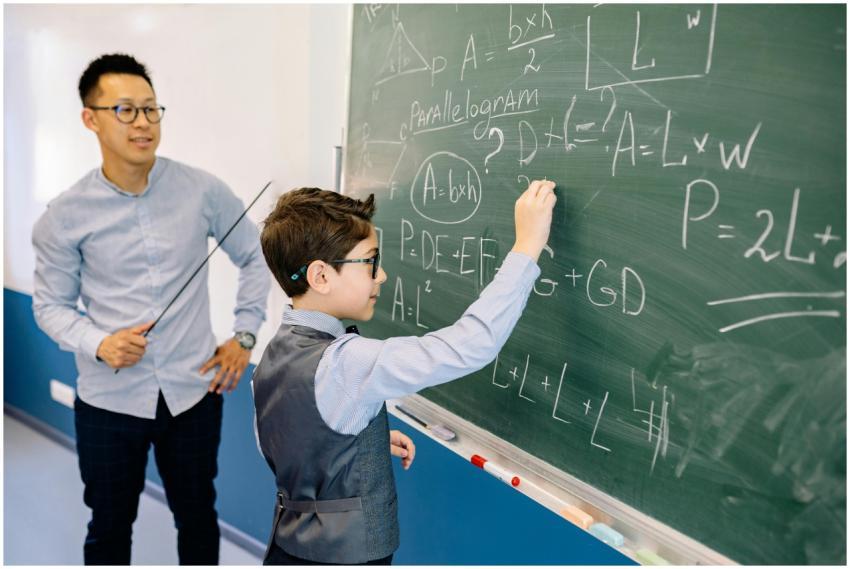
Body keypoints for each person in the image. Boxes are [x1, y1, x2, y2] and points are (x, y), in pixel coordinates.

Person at [31, 53, 270, 565]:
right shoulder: (64, 216)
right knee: (109, 527)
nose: (142, 122)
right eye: (125, 109)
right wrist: (99, 342)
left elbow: (255, 255)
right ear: (91, 119)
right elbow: (50, 306)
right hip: (109, 402)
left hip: (193, 394)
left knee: (198, 516)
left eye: (150, 109)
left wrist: (245, 335)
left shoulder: (202, 190)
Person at [252, 180, 556, 565]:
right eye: (370, 262)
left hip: (289, 547)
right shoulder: (346, 362)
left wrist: (358, 444)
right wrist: (527, 245)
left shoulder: (276, 350)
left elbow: (286, 437)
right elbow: (471, 344)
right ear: (321, 276)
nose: (381, 276)